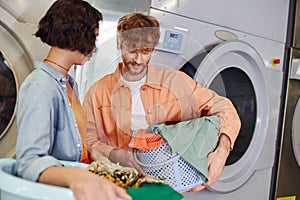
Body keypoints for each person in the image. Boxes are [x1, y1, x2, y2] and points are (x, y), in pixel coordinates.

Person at [83, 13, 241, 191]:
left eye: (146, 51)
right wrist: (114, 154)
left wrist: (222, 151)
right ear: (119, 44)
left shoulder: (175, 82)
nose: (138, 59)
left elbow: (224, 107)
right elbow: (88, 139)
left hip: (168, 186)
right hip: (120, 188)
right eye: (132, 50)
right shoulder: (98, 92)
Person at [15, 1, 132, 200]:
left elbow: (76, 146)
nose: (94, 48)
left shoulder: (68, 84)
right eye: (93, 38)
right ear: (76, 33)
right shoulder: (40, 86)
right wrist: (76, 176)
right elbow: (29, 162)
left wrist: (107, 159)